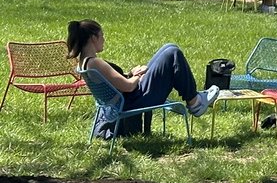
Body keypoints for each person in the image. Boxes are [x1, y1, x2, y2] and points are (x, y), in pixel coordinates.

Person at [67, 19, 219, 135]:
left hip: (128, 99)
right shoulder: (95, 63)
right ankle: (195, 102)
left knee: (169, 48)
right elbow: (128, 86)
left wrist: (131, 74)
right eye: (102, 36)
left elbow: (114, 82)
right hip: (133, 101)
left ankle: (195, 100)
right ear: (93, 38)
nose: (104, 39)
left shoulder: (85, 62)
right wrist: (137, 77)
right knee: (173, 53)